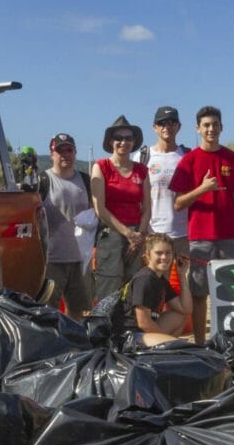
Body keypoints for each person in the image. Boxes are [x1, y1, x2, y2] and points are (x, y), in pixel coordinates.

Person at [169, 106, 234, 344]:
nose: (211, 129)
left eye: (215, 124)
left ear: (221, 127)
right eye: (206, 125)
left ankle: (230, 342)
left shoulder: (232, 158)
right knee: (199, 294)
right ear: (198, 129)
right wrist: (202, 189)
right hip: (199, 239)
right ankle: (200, 343)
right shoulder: (189, 160)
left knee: (231, 294)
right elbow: (178, 203)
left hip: (230, 237)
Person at [91, 116, 151, 301]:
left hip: (136, 235)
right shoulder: (101, 166)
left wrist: (139, 236)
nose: (123, 142)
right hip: (111, 235)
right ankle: (106, 329)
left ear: (134, 142)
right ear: (110, 141)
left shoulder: (142, 170)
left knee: (134, 289)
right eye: (119, 137)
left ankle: (130, 329)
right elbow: (99, 208)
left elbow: (147, 207)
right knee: (108, 290)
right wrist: (128, 234)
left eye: (128, 138)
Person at [39, 132, 93, 319]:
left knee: (78, 311)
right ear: (52, 153)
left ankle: (74, 344)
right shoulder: (42, 181)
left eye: (69, 150)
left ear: (75, 152)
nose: (65, 155)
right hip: (51, 260)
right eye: (60, 151)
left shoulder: (86, 180)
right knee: (48, 311)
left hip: (80, 259)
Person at [115, 233, 193, 347]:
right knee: (177, 346)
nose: (164, 257)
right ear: (147, 255)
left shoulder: (159, 279)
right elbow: (143, 322)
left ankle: (159, 350)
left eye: (168, 253)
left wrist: (182, 275)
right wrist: (167, 342)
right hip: (129, 336)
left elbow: (186, 309)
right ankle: (158, 350)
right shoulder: (145, 279)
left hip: (144, 332)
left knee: (179, 315)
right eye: (159, 253)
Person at [136, 106, 189, 261]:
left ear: (179, 126)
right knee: (156, 283)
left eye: (172, 122)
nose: (167, 126)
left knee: (186, 283)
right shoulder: (142, 156)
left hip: (184, 234)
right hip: (153, 234)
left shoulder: (187, 156)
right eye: (162, 123)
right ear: (154, 127)